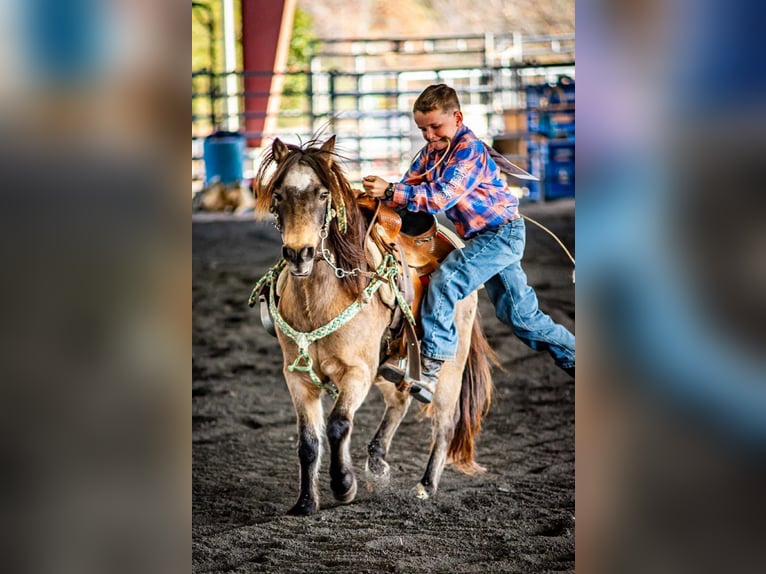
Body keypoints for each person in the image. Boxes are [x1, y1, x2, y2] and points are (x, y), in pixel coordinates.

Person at [362, 84, 575, 404]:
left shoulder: (469, 150)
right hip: (486, 237)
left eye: (436, 126)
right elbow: (410, 187)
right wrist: (381, 198)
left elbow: (440, 197)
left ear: (457, 117)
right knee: (522, 319)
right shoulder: (430, 154)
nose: (430, 134)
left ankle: (431, 364)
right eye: (423, 129)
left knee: (448, 279)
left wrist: (391, 191)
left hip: (501, 235)